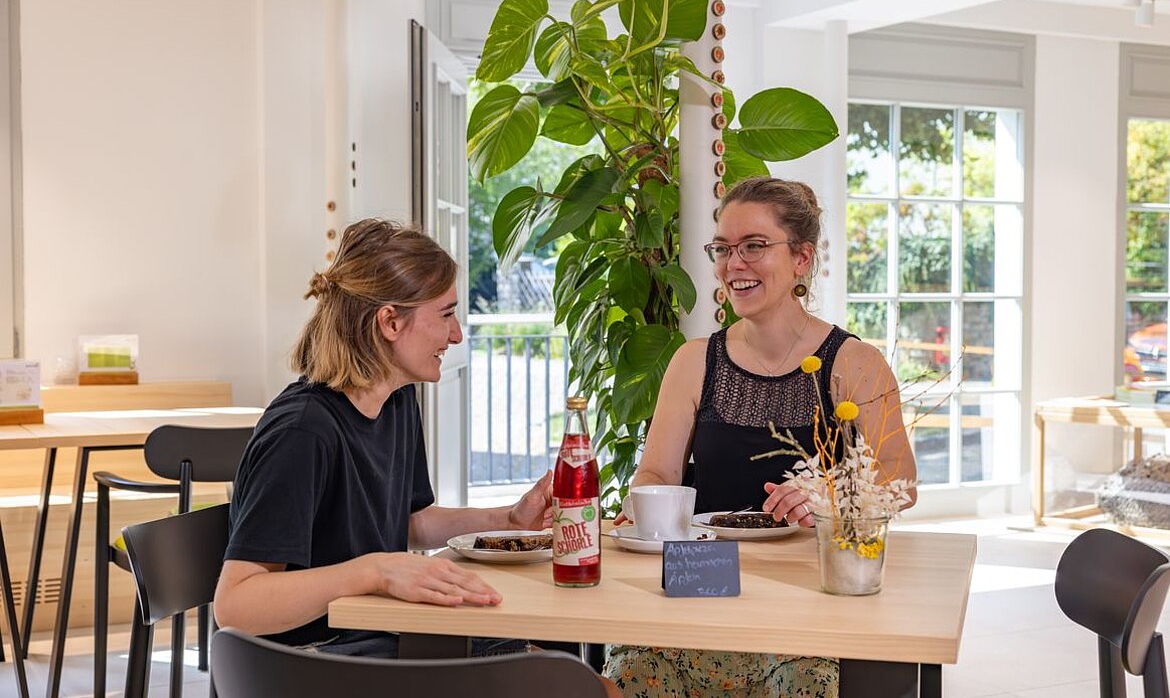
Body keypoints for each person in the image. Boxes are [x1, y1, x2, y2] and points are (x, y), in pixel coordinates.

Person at [213, 219, 621, 697]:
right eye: (447, 314)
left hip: (384, 638)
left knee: (581, 682)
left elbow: (411, 521)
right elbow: (236, 604)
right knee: (574, 685)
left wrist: (508, 519)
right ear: (389, 322)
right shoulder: (303, 432)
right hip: (313, 668)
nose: (458, 336)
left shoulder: (395, 400)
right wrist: (375, 570)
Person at [603, 177, 918, 698]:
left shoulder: (855, 364)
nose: (734, 264)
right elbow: (657, 473)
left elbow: (901, 481)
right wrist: (644, 508)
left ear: (801, 258)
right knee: (631, 671)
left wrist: (832, 494)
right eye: (724, 249)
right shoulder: (694, 360)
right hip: (699, 586)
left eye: (754, 246)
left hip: (807, 597)